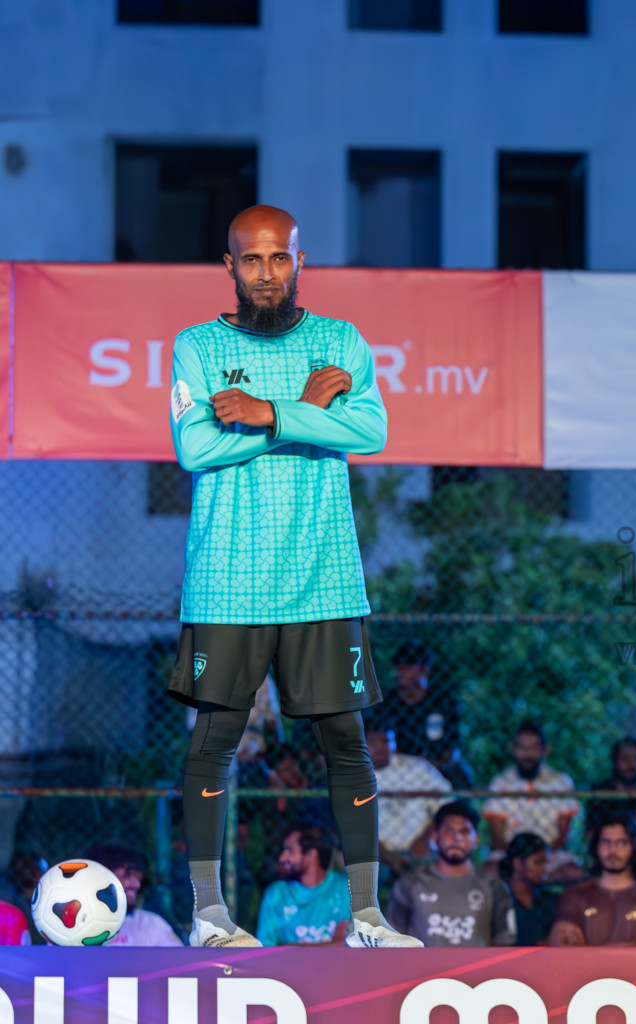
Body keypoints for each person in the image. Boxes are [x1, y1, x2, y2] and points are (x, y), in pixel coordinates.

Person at [164, 205, 414, 949]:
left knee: (347, 740)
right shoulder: (198, 345)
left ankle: (367, 918)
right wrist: (307, 412)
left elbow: (370, 431)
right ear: (230, 266)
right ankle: (210, 918)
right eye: (251, 260)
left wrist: (274, 412)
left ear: (300, 260)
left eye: (279, 258)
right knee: (214, 741)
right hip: (227, 580)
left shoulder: (341, 342)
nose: (266, 272)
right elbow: (195, 448)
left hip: (323, 578)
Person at [385, 802, 515, 947]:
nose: (456, 838)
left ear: (476, 840)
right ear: (435, 837)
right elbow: (393, 940)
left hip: (476, 969)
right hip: (425, 969)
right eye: (449, 831)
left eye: (464, 832)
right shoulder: (411, 883)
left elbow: (505, 942)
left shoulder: (492, 885)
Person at [550, 814, 636, 947]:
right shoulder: (575, 896)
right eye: (606, 842)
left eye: (621, 842)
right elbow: (559, 946)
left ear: (635, 845)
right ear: (596, 845)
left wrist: (586, 951)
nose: (612, 850)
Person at [482, 721, 581, 876]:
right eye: (522, 747)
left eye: (533, 748)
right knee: (489, 872)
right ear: (512, 749)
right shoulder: (500, 783)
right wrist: (519, 859)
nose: (527, 754)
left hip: (550, 855)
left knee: (574, 873)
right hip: (510, 855)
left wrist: (538, 858)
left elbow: (562, 838)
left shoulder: (561, 782)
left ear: (544, 750)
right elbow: (497, 839)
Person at [370, 642, 473, 789]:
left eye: (409, 666)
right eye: (399, 666)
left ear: (424, 671)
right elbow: (378, 739)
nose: (402, 671)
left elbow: (453, 748)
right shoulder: (387, 703)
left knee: (461, 774)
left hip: (437, 764)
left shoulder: (444, 701)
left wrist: (432, 766)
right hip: (398, 765)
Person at [365, 725, 453, 876]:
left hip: (421, 847)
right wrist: (385, 855)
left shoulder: (417, 767)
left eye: (386, 740)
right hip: (372, 850)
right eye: (372, 741)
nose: (380, 747)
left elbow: (447, 806)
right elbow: (350, 825)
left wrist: (425, 839)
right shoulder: (350, 775)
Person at [255, 824, 352, 946]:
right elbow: (265, 951)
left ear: (311, 855)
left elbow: (353, 946)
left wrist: (289, 949)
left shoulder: (344, 887)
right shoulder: (276, 893)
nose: (281, 858)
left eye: (289, 851)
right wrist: (332, 945)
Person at [83, 843, 182, 947]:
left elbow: (180, 960)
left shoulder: (150, 924)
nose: (136, 884)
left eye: (137, 876)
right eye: (127, 875)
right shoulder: (75, 923)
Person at [587, 737, 636, 840]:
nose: (631, 765)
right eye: (625, 759)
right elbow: (591, 833)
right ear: (614, 761)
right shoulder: (600, 792)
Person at [503, 833, 562, 946]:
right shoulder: (499, 899)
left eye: (545, 862)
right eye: (538, 862)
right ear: (518, 864)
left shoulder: (549, 900)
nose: (545, 869)